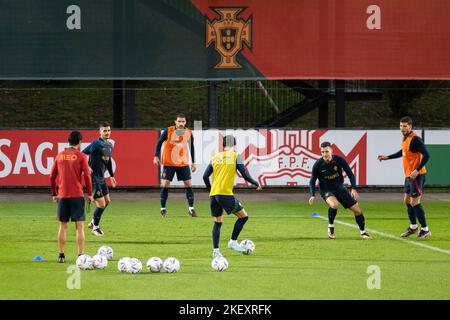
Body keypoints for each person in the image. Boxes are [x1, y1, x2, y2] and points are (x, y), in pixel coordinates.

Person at [203, 135, 262, 258]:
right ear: (234, 145)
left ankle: (216, 251)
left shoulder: (215, 157)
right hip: (225, 194)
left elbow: (205, 176)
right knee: (243, 217)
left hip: (214, 195)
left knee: (218, 222)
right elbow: (244, 174)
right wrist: (255, 183)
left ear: (223, 145)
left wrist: (211, 190)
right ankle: (233, 242)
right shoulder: (235, 156)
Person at [378, 116, 431, 239]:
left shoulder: (416, 139)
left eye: (405, 126)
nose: (402, 128)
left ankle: (425, 229)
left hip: (417, 175)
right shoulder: (405, 137)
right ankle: (413, 227)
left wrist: (417, 170)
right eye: (401, 126)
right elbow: (403, 151)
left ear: (410, 126)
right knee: (407, 201)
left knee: (414, 202)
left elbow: (427, 155)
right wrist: (388, 157)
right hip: (408, 175)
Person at [309, 141, 371, 239]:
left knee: (358, 211)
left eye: (326, 151)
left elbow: (350, 174)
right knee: (334, 204)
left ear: (331, 151)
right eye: (322, 152)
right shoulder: (318, 164)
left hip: (340, 188)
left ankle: (363, 232)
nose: (324, 154)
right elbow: (312, 181)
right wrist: (312, 195)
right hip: (326, 190)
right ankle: (330, 226)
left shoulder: (339, 160)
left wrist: (353, 188)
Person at [50, 131, 93, 263]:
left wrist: (54, 193)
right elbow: (87, 176)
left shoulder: (59, 156)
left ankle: (61, 255)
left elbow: (52, 176)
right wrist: (90, 193)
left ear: (68, 141)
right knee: (79, 227)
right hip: (77, 195)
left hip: (62, 195)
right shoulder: (81, 156)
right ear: (80, 142)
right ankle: (81, 256)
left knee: (62, 226)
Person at [153, 113, 197, 218]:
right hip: (169, 163)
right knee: (165, 184)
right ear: (175, 122)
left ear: (185, 122)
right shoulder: (168, 131)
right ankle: (163, 209)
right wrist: (156, 156)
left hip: (183, 163)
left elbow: (191, 147)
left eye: (183, 121)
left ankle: (191, 208)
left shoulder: (188, 133)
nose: (181, 123)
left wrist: (193, 162)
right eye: (179, 121)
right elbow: (159, 143)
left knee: (188, 184)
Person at [82, 122, 117, 236]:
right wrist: (87, 167)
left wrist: (111, 176)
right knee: (101, 204)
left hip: (101, 177)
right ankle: (95, 228)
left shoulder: (109, 145)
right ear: (100, 132)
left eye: (108, 130)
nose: (107, 133)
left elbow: (108, 161)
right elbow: (82, 154)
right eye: (105, 131)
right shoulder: (96, 144)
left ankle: (93, 222)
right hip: (93, 178)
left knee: (107, 201)